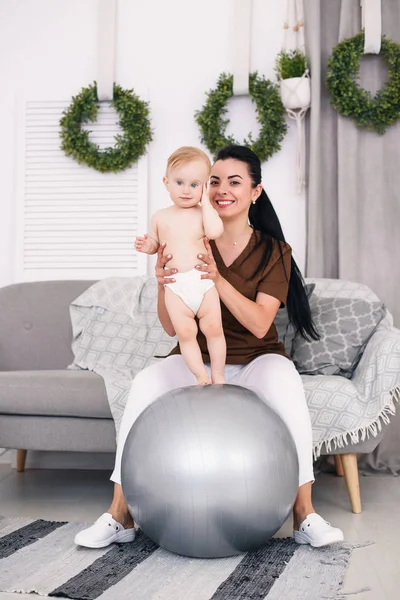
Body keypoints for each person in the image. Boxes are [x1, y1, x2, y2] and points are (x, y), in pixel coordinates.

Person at [74, 144, 344, 550]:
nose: (221, 189)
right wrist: (163, 282)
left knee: (287, 382)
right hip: (195, 358)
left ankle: (304, 514)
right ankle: (119, 515)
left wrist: (217, 279)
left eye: (235, 182)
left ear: (255, 192)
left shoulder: (275, 251)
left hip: (256, 358)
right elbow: (170, 328)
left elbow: (257, 324)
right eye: (214, 180)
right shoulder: (184, 232)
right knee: (145, 382)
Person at [134, 146, 226, 385]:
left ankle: (218, 373)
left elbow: (215, 232)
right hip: (175, 286)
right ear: (166, 182)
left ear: (205, 186)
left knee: (214, 329)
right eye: (180, 182)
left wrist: (206, 203)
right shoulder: (160, 216)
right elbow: (156, 243)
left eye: (195, 185)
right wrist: (148, 245)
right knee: (185, 334)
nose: (187, 190)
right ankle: (201, 375)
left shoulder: (204, 214)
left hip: (203, 282)